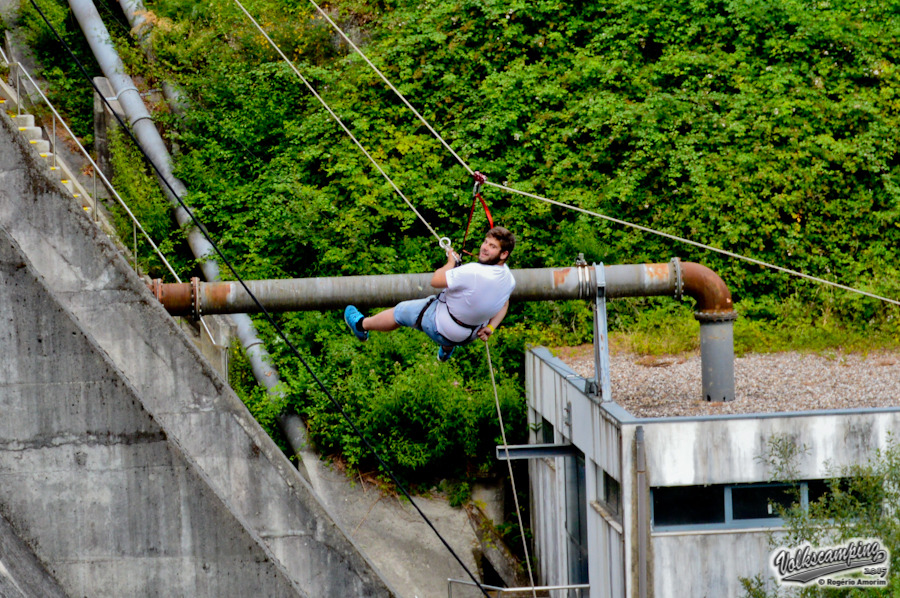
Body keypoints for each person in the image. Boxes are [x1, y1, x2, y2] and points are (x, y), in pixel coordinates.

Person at [344, 226, 516, 361]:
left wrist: (450, 263)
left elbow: (436, 280)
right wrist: (491, 328)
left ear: (504, 254)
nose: (484, 248)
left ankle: (361, 326)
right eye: (486, 242)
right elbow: (504, 303)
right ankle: (446, 352)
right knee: (454, 316)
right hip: (470, 334)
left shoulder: (474, 271)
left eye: (492, 246)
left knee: (401, 312)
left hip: (442, 327)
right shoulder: (509, 278)